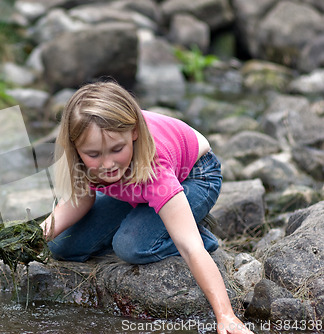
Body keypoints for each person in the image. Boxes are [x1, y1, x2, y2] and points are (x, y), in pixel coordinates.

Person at [40, 80, 253, 334]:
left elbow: (189, 248)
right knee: (58, 244)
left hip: (193, 175)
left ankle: (193, 226)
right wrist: (34, 237)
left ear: (134, 133)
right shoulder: (85, 157)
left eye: (116, 149)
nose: (107, 164)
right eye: (94, 155)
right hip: (133, 188)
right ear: (76, 147)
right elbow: (83, 199)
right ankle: (153, 217)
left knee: (131, 246)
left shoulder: (155, 168)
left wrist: (226, 316)